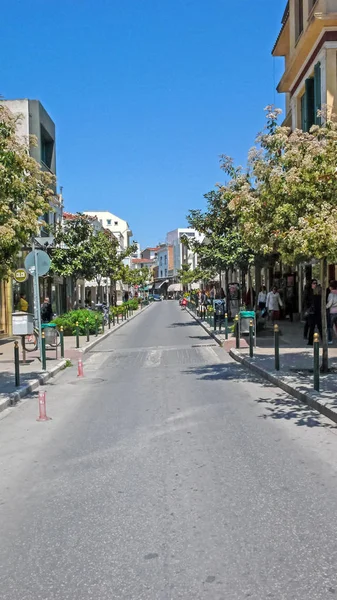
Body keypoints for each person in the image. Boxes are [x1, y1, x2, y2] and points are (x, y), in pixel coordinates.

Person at [304, 279, 323, 346]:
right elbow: (306, 301)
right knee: (312, 326)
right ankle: (310, 340)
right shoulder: (309, 292)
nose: (314, 284)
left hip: (315, 312)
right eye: (313, 283)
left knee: (317, 326)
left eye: (315, 283)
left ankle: (312, 341)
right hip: (312, 312)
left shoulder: (318, 296)